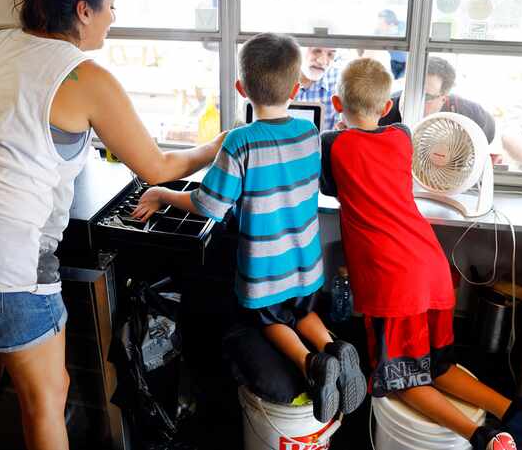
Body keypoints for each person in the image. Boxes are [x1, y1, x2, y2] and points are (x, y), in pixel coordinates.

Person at [0, 0, 225, 450]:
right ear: (83, 10)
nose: (114, 17)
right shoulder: (85, 76)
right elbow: (158, 168)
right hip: (1, 272)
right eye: (111, 5)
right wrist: (216, 146)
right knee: (47, 400)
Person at [319, 58, 522, 450]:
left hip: (392, 282)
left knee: (396, 381)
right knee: (437, 362)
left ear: (337, 103)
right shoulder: (403, 135)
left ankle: (484, 437)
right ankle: (518, 410)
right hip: (431, 266)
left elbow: (330, 188)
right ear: (387, 106)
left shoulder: (333, 144)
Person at [133, 32, 366, 423]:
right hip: (306, 265)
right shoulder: (310, 134)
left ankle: (312, 363)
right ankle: (336, 346)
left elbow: (209, 204)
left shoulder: (240, 142)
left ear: (241, 89)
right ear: (296, 87)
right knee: (303, 312)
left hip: (266, 273)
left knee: (272, 321)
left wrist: (161, 194)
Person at [379, 57, 496, 143]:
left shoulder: (467, 112)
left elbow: (488, 134)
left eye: (426, 97)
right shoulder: (382, 113)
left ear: (443, 99)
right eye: (409, 89)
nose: (412, 100)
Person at [294, 45, 341, 131]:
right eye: (316, 51)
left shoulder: (340, 82)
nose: (322, 61)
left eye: (330, 54)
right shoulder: (275, 78)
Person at [375, 9, 407, 79]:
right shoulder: (379, 31)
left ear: (390, 23)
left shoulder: (402, 27)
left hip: (407, 61)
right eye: (379, 23)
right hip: (394, 61)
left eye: (382, 24)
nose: (380, 26)